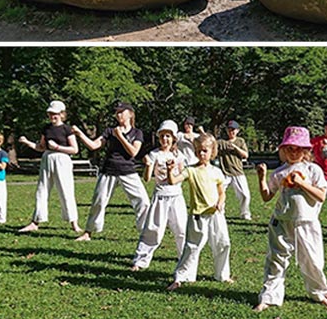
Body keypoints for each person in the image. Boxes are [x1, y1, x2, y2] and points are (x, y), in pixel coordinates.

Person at [254, 126, 327, 312]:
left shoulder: (313, 170)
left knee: (313, 260)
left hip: (307, 222)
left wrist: (302, 183)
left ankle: (320, 293)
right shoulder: (279, 172)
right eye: (289, 148)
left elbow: (321, 196)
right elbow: (267, 196)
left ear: (306, 150)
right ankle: (268, 297)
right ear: (283, 150)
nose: (293, 152)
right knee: (276, 260)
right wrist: (261, 178)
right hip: (281, 222)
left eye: (298, 148)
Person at [73, 103, 150, 242]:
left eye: (121, 111)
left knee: (143, 201)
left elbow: (133, 152)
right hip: (109, 171)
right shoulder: (109, 131)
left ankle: (145, 233)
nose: (118, 114)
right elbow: (94, 145)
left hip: (128, 171)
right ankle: (88, 232)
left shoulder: (137, 133)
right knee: (99, 201)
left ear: (130, 114)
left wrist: (120, 136)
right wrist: (79, 133)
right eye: (117, 112)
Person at [167, 133, 232, 291]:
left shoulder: (217, 172)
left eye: (204, 150)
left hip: (216, 214)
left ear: (212, 151)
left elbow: (221, 191)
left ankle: (222, 274)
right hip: (198, 216)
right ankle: (182, 276)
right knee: (192, 246)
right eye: (198, 150)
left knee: (223, 243)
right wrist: (170, 170)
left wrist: (220, 202)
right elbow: (173, 181)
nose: (201, 154)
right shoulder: (191, 170)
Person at [17, 100, 81, 233]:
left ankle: (74, 223)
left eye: (55, 114)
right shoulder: (46, 128)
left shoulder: (67, 129)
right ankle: (36, 221)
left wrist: (58, 147)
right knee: (42, 189)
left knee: (66, 190)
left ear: (62, 114)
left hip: (62, 160)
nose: (53, 116)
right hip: (47, 158)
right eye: (51, 114)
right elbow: (41, 147)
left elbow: (75, 149)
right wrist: (27, 142)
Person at [131, 120, 188, 271]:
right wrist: (148, 166)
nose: (165, 139)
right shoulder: (154, 154)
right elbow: (147, 178)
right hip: (161, 196)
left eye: (168, 136)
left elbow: (183, 174)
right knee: (153, 229)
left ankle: (185, 257)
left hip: (176, 196)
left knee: (182, 228)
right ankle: (140, 260)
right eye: (162, 136)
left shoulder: (179, 155)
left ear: (174, 138)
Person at [216, 120, 252, 221]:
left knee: (245, 195)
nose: (231, 131)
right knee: (218, 193)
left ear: (237, 131)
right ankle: (220, 211)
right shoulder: (221, 142)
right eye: (229, 129)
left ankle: (245, 213)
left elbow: (246, 155)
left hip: (238, 173)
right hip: (224, 173)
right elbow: (211, 147)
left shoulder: (240, 141)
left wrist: (235, 148)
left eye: (233, 130)